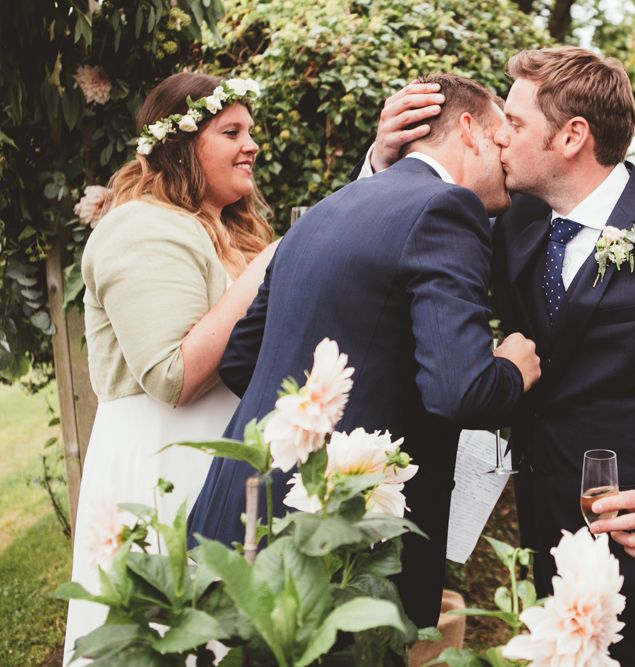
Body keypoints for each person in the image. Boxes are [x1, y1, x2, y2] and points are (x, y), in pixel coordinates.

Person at [365, 47, 635, 666]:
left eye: (515, 120)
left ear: (572, 136)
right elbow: (401, 231)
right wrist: (384, 163)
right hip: (548, 555)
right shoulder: (514, 222)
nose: (498, 135)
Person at [188, 73, 541, 629]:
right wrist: (510, 371)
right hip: (336, 543)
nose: (508, 160)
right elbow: (460, 390)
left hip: (240, 512)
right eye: (502, 139)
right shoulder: (448, 208)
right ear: (469, 131)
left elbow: (240, 360)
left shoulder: (325, 211)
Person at [64, 72, 279, 664]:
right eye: (231, 130)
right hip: (164, 461)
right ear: (183, 145)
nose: (251, 145)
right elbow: (173, 375)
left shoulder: (230, 229)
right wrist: (268, 267)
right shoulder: (141, 226)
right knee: (171, 632)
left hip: (223, 459)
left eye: (251, 131)